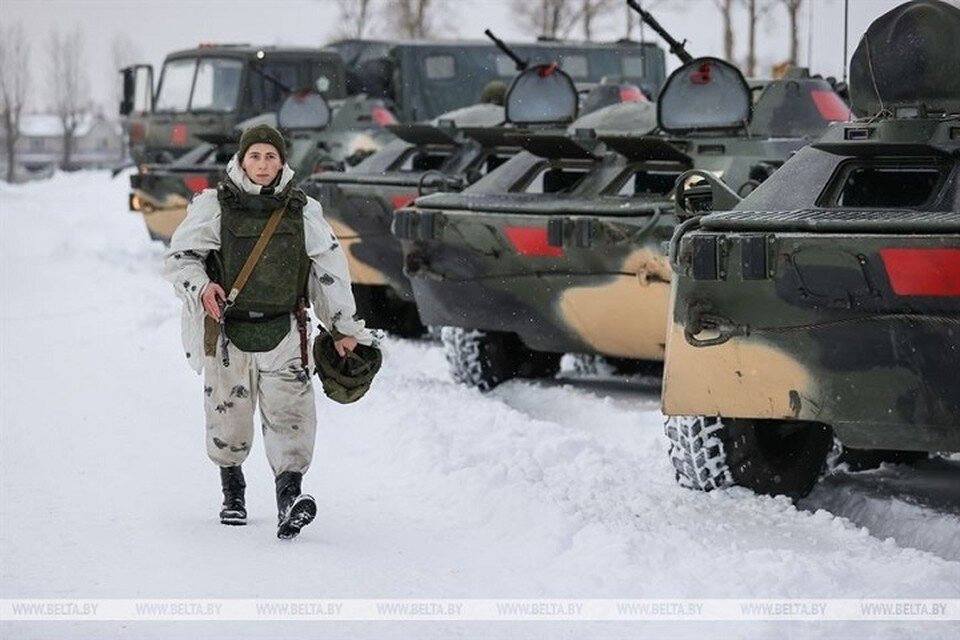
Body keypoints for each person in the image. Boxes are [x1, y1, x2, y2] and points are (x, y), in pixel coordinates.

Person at [164, 123, 375, 540]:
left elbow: (329, 274)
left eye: (270, 156)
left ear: (282, 162)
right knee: (229, 421)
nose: (262, 165)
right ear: (243, 160)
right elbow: (180, 259)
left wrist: (343, 328)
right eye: (255, 156)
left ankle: (289, 499)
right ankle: (233, 492)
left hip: (285, 332)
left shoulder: (303, 210)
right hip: (228, 335)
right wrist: (203, 287)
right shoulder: (214, 206)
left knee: (291, 420)